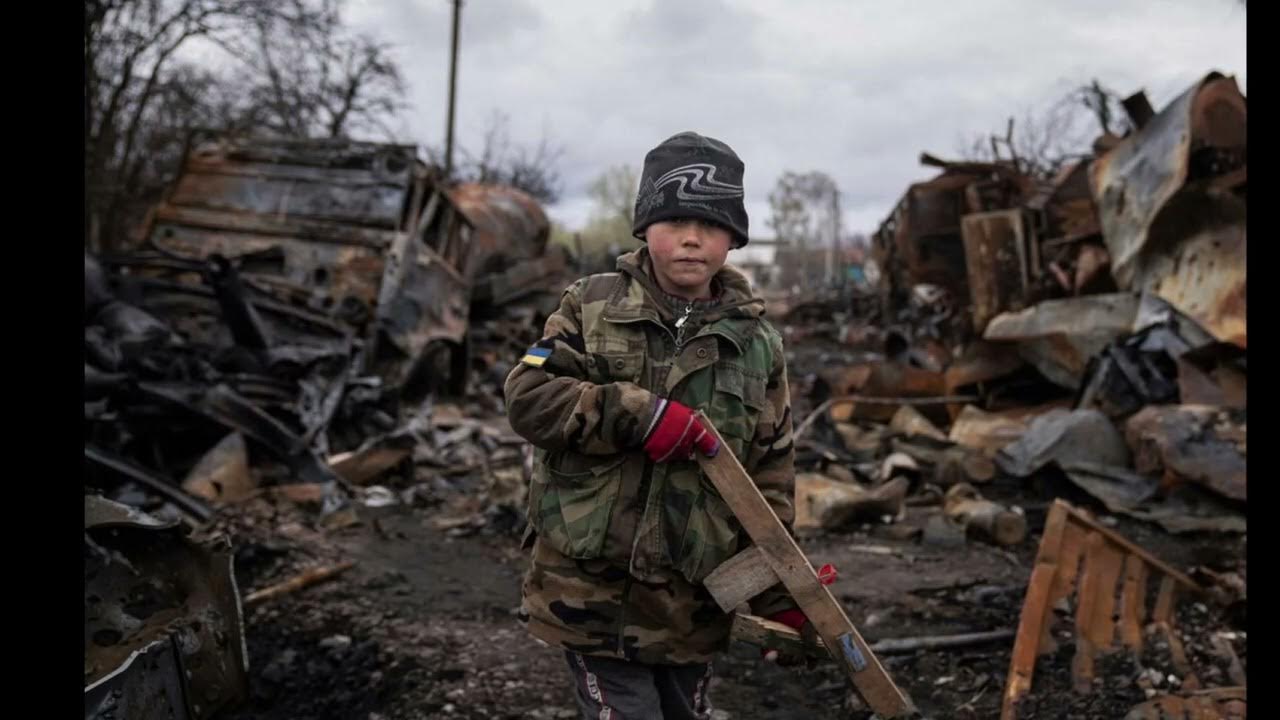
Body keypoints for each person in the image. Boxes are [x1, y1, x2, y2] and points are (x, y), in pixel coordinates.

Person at [505, 131, 803, 719]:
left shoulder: (758, 345)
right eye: (675, 221)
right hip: (588, 593)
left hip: (690, 605)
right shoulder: (588, 306)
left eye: (711, 224)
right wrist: (637, 415)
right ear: (645, 227)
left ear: (734, 237)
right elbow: (528, 395)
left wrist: (780, 596)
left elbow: (768, 479)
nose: (692, 238)